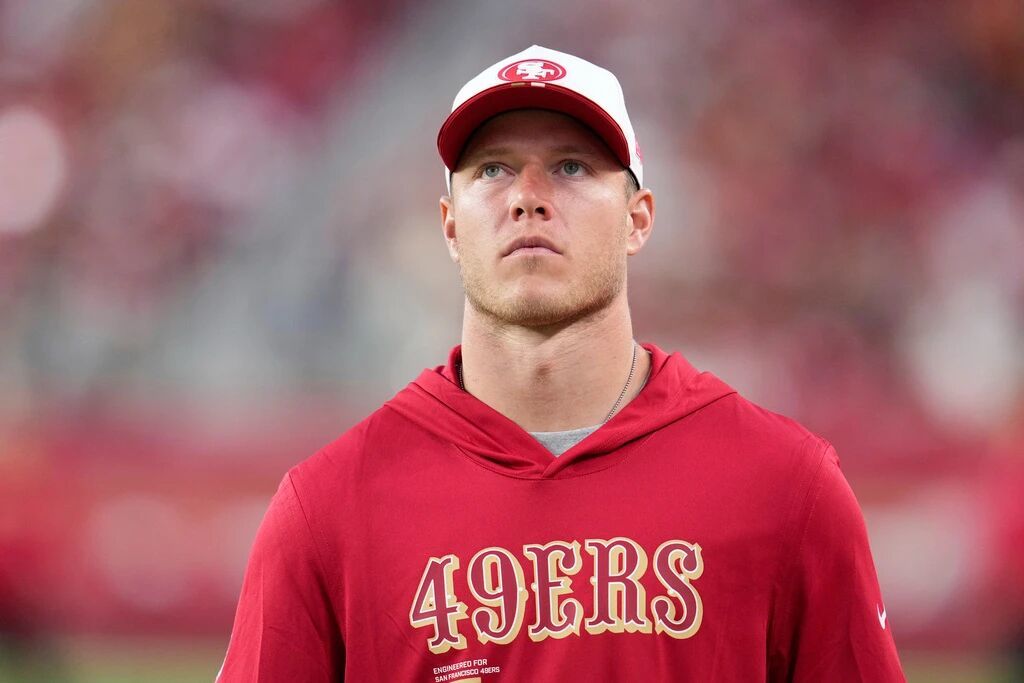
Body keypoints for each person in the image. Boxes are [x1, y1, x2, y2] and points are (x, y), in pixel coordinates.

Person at [217, 45, 906, 682]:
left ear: (638, 219)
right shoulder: (328, 509)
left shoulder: (785, 487)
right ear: (451, 225)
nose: (528, 196)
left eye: (571, 166)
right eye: (492, 169)